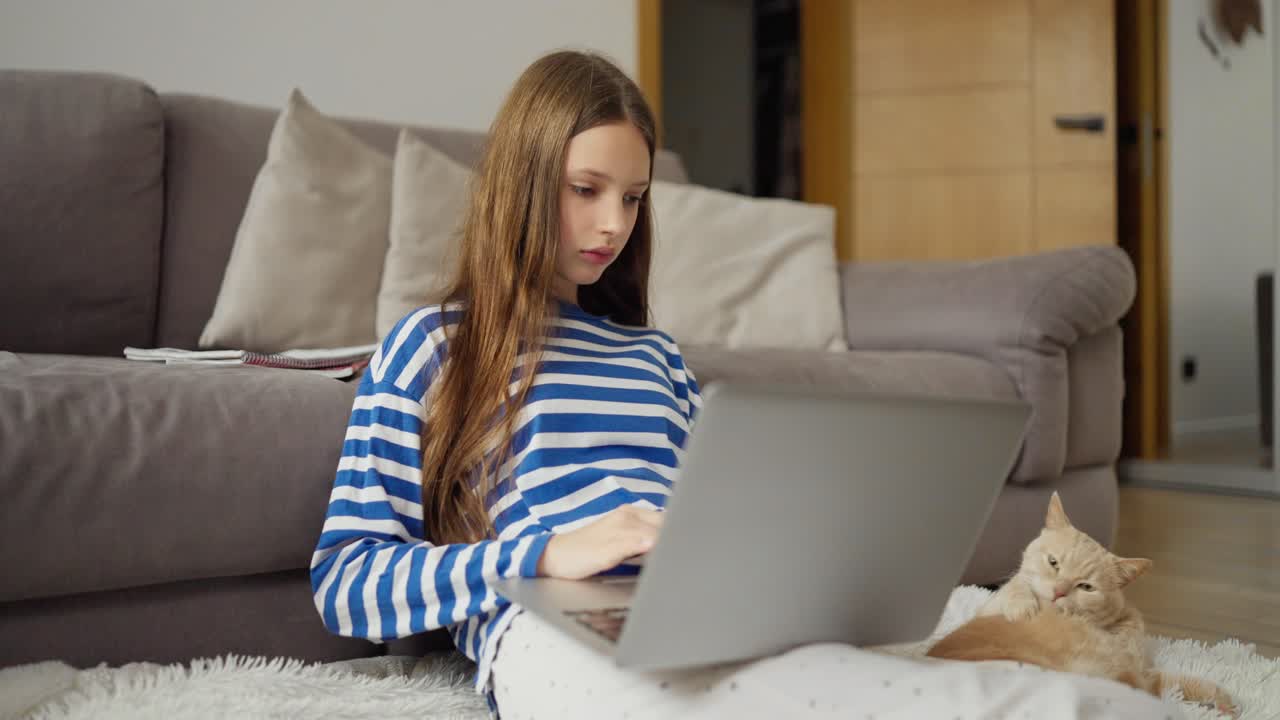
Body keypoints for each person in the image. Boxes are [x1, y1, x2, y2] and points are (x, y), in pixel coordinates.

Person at [311, 50, 1183, 720]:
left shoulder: (653, 359)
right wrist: (542, 554)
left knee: (948, 697)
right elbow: (347, 580)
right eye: (585, 190)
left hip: (702, 609)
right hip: (548, 632)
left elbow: (725, 517)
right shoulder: (431, 348)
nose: (613, 224)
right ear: (521, 182)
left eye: (633, 197)